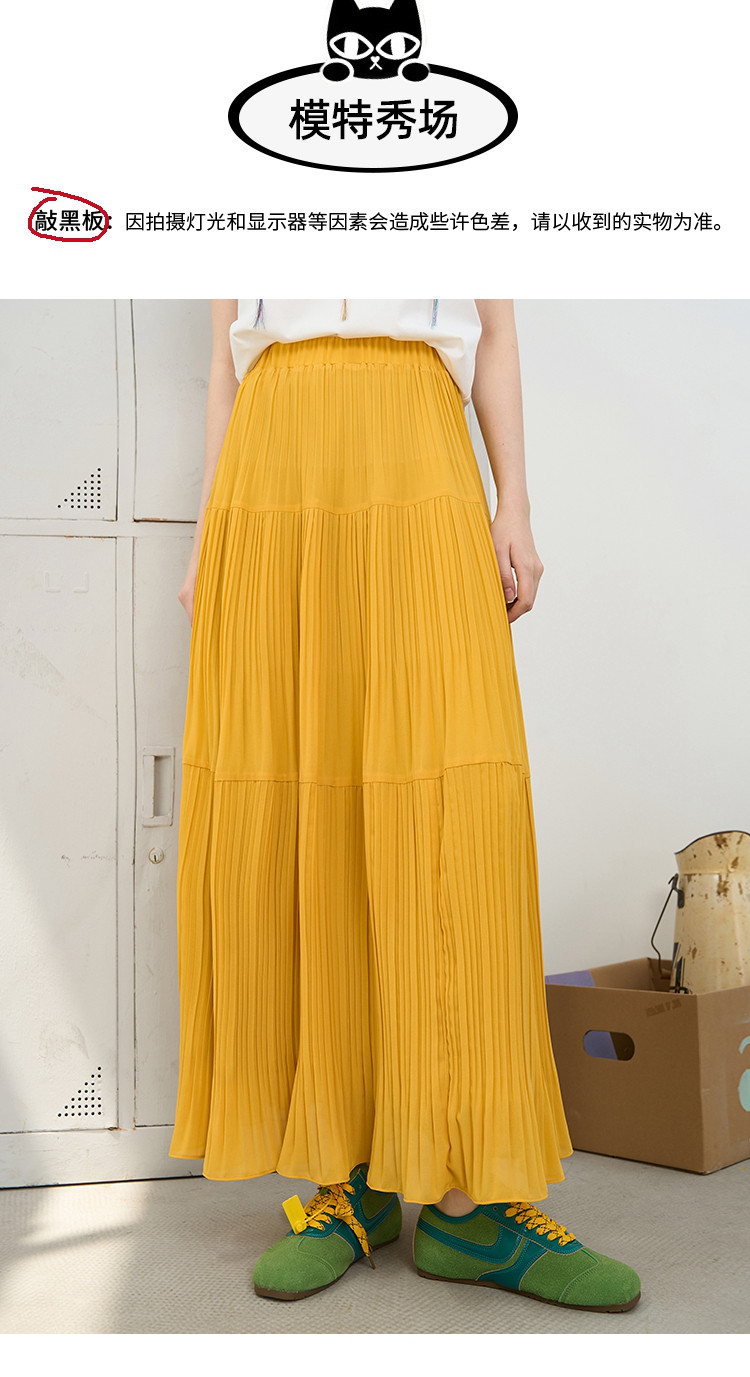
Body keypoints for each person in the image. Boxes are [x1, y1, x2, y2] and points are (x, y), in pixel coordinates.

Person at [168, 299, 641, 1314]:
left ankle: (473, 1206)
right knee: (310, 824)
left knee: (453, 818)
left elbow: (496, 331)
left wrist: (514, 505)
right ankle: (353, 1176)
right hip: (273, 475)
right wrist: (210, 534)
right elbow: (224, 364)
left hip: (421, 450)